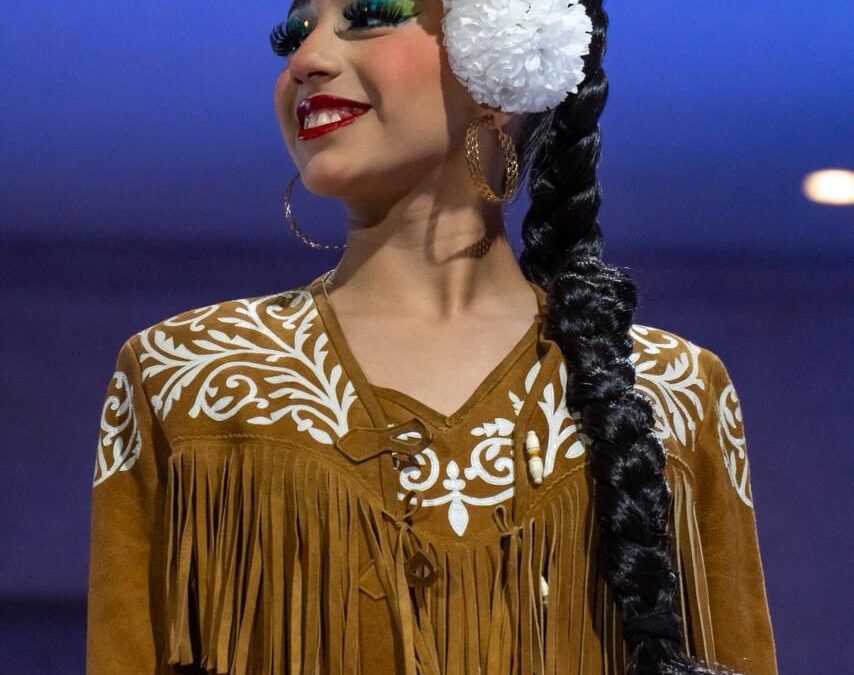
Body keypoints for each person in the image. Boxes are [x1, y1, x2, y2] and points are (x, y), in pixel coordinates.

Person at [85, 0, 778, 673]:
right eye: (292, 33)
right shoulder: (185, 372)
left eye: (370, 15)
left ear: (503, 62)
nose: (307, 58)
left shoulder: (674, 386)